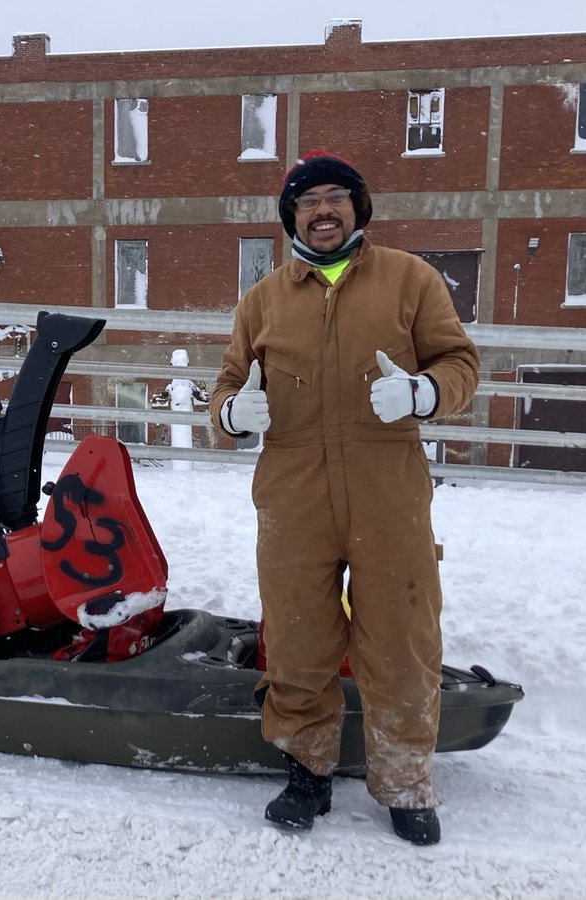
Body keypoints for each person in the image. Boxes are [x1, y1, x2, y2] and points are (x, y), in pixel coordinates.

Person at [210, 148, 479, 844]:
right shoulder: (262, 301)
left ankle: (405, 782)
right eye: (308, 200)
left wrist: (424, 392)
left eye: (336, 197)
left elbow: (460, 364)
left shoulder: (410, 281)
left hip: (388, 494)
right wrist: (232, 416)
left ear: (358, 208)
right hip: (293, 498)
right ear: (290, 216)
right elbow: (225, 386)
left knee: (401, 641)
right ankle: (308, 771)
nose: (323, 210)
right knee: (298, 643)